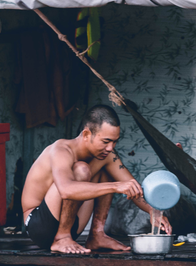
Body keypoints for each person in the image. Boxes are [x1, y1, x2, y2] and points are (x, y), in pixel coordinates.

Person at [22, 105, 172, 254]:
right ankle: (62, 237)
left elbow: (132, 187)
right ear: (86, 134)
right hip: (39, 225)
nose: (110, 147)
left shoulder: (107, 155)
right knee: (81, 170)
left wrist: (153, 212)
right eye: (106, 141)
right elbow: (66, 190)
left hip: (72, 225)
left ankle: (97, 234)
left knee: (107, 165)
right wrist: (115, 186)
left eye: (114, 142)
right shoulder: (61, 150)